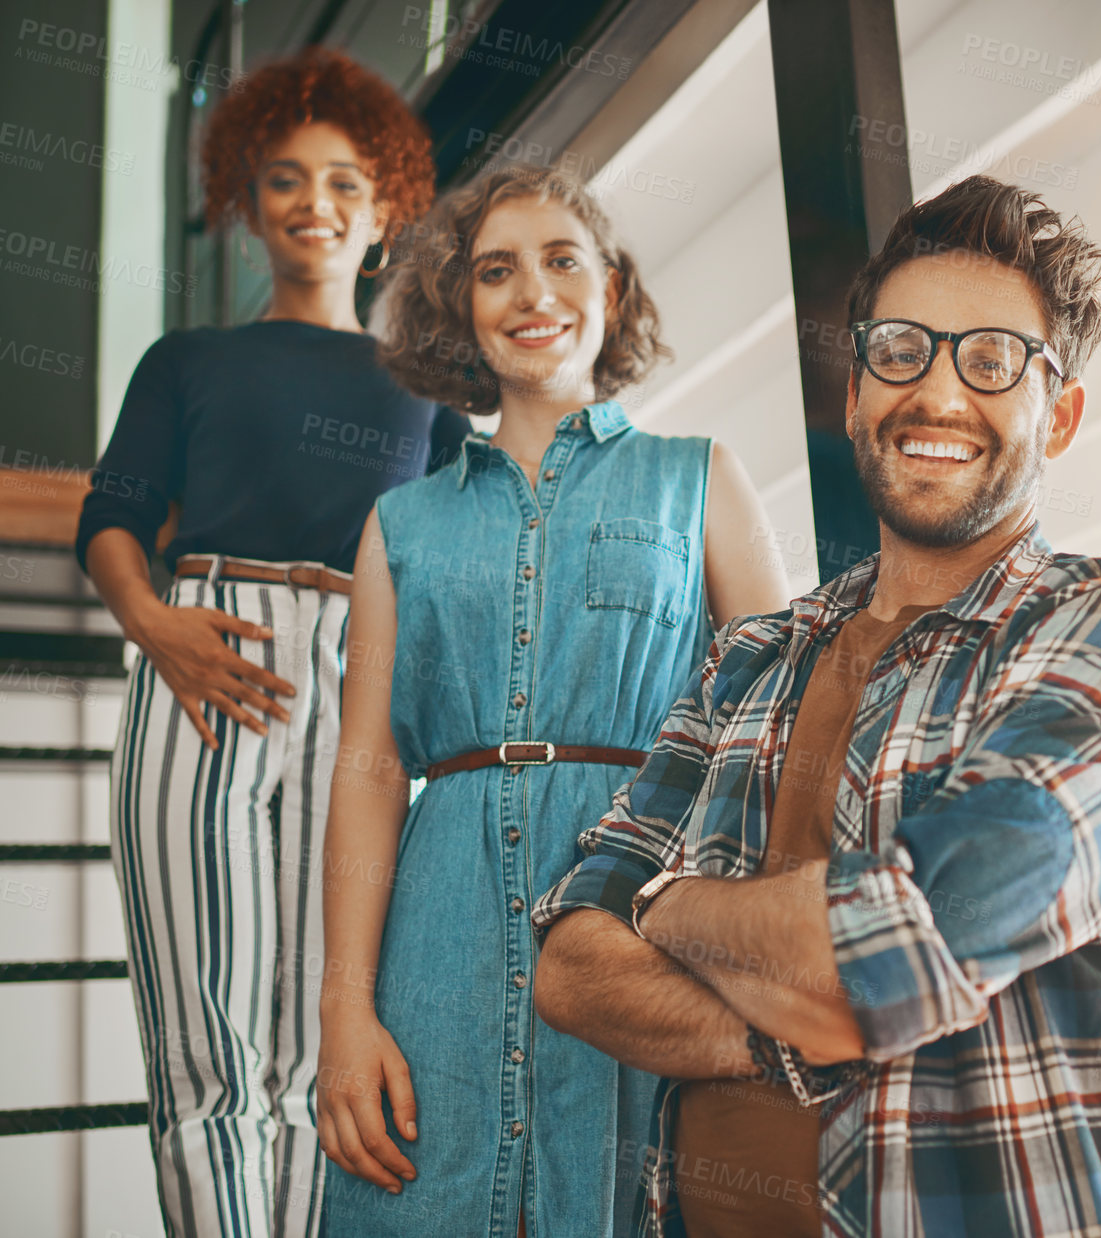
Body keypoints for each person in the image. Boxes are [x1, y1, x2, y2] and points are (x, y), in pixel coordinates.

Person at [529, 174, 1101, 1237]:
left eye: (989, 358)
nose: (937, 392)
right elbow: (570, 965)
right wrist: (782, 1024)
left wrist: (668, 906)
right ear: (852, 395)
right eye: (899, 351)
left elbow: (887, 952)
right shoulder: (747, 658)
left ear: (1055, 415)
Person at [314, 164, 792, 1238]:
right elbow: (370, 767)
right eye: (496, 271)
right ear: (460, 310)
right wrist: (345, 1007)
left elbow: (777, 732)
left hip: (641, 931)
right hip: (434, 937)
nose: (533, 292)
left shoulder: (701, 477)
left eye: (561, 260)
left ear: (609, 288)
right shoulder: (400, 523)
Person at [76, 47, 464, 1238]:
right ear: (247, 204)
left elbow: (452, 570)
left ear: (388, 206)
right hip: (207, 661)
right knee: (206, 1040)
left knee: (325, 1035)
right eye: (286, 180)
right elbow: (112, 518)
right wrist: (152, 624)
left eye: (345, 182)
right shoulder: (188, 359)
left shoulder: (427, 385)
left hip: (365, 686)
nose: (315, 203)